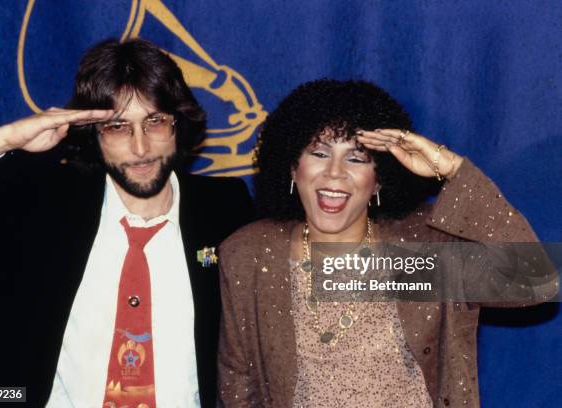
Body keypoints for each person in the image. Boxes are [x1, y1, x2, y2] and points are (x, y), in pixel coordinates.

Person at [0, 38, 253, 407]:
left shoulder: (226, 209)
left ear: (178, 124)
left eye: (154, 122)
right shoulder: (44, 206)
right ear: (94, 134)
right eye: (117, 127)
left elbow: (310, 283)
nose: (140, 148)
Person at [217, 79, 558, 407]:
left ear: (378, 181)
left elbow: (535, 280)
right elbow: (238, 385)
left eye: (356, 158)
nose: (334, 173)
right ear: (292, 168)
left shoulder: (412, 257)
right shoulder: (250, 254)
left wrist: (452, 169)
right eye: (319, 153)